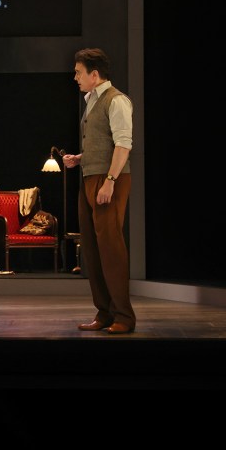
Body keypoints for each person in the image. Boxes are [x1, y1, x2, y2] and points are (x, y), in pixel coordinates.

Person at [64, 48, 136, 334]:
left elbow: (123, 145)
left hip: (109, 181)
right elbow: (102, 142)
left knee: (110, 248)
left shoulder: (116, 100)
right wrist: (80, 158)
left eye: (78, 72)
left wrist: (110, 180)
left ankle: (124, 317)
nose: (75, 78)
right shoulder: (92, 100)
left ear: (94, 74)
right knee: (92, 250)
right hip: (90, 178)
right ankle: (104, 312)